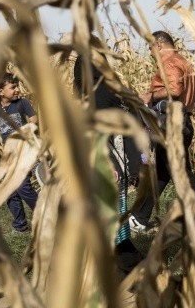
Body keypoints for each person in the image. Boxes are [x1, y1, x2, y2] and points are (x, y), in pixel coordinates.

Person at [129, 30, 195, 232]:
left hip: (171, 123)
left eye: (150, 48)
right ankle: (140, 217)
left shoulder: (169, 62)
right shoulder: (186, 65)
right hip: (184, 124)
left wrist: (150, 96)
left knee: (180, 172)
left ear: (159, 45)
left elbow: (174, 90)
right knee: (163, 172)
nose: (150, 53)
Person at [73, 52, 144, 275]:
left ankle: (121, 259)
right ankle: (119, 265)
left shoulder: (83, 92)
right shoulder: (100, 93)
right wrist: (109, 162)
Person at [0, 73, 39, 233]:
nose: (17, 89)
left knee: (23, 187)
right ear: (1, 92)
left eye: (17, 86)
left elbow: (34, 118)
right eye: (13, 87)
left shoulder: (21, 103)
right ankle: (21, 225)